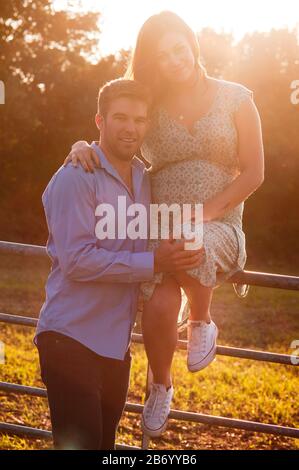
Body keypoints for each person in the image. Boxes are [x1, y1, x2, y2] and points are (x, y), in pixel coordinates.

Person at [64, 11, 264, 438]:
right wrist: (81, 144)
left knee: (192, 240)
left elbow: (254, 172)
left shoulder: (236, 98)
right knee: (157, 299)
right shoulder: (151, 105)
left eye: (179, 48)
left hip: (220, 223)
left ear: (193, 44)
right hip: (159, 223)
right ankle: (161, 384)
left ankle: (201, 320)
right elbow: (118, 132)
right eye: (162, 56)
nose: (175, 60)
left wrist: (205, 212)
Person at [34, 78, 203, 449]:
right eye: (121, 117)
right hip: (70, 340)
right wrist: (152, 262)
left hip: (115, 348)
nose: (131, 128)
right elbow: (77, 261)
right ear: (100, 121)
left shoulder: (145, 179)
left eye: (140, 120)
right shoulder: (77, 177)